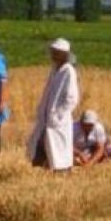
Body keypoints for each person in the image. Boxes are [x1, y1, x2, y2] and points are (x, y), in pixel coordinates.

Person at [27, 38, 79, 172]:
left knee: (59, 148)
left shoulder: (68, 71)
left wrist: (58, 114)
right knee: (45, 145)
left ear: (64, 54)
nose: (53, 55)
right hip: (48, 117)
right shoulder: (55, 69)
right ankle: (49, 168)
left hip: (58, 119)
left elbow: (72, 98)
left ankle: (63, 171)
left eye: (55, 52)